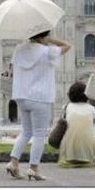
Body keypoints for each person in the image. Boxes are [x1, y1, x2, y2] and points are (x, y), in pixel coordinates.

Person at [5, 29, 72, 180]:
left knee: (26, 132)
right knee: (39, 134)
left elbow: (12, 71)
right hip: (40, 97)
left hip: (22, 96)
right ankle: (33, 168)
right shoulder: (47, 51)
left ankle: (13, 162)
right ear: (44, 35)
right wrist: (50, 40)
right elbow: (68, 45)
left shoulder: (19, 50)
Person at [58, 81, 95, 168]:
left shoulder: (66, 107)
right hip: (90, 146)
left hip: (69, 147)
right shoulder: (91, 108)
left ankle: (69, 157)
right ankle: (89, 158)